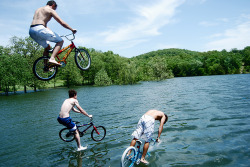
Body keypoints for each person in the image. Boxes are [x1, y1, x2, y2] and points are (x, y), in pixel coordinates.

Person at [29, 1, 77, 66]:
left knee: (47, 47)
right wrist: (71, 29)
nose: (54, 10)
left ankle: (45, 66)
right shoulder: (50, 10)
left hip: (31, 30)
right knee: (60, 41)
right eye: (55, 8)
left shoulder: (38, 10)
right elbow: (62, 22)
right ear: (53, 5)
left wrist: (53, 34)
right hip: (40, 29)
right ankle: (52, 58)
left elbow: (43, 25)